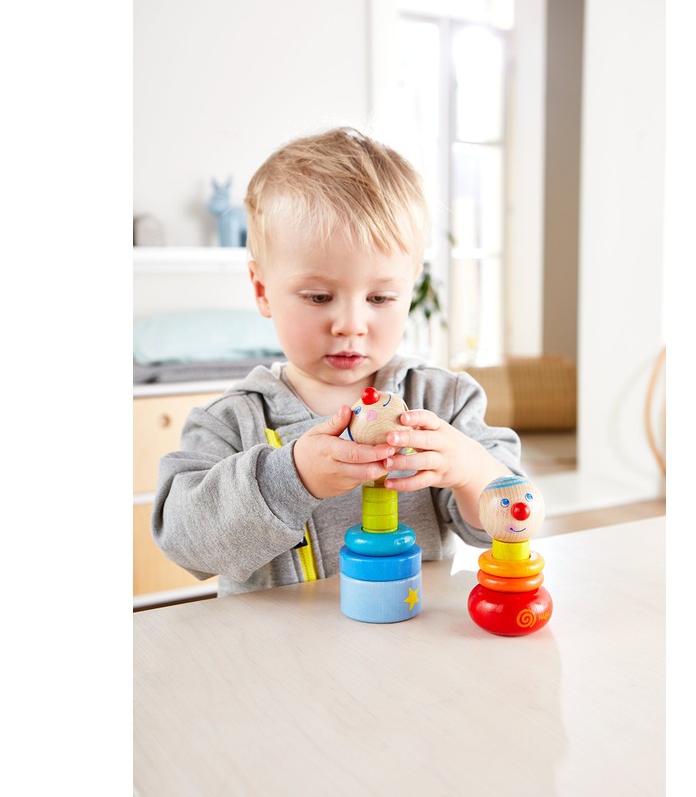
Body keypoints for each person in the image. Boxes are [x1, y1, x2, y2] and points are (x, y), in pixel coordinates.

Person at [152, 127, 524, 596]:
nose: (351, 324)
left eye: (380, 297)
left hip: (409, 634)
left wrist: (470, 471)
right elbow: (184, 543)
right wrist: (290, 478)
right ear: (263, 290)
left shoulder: (442, 400)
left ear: (410, 290)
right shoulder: (231, 420)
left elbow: (512, 521)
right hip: (278, 644)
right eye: (319, 296)